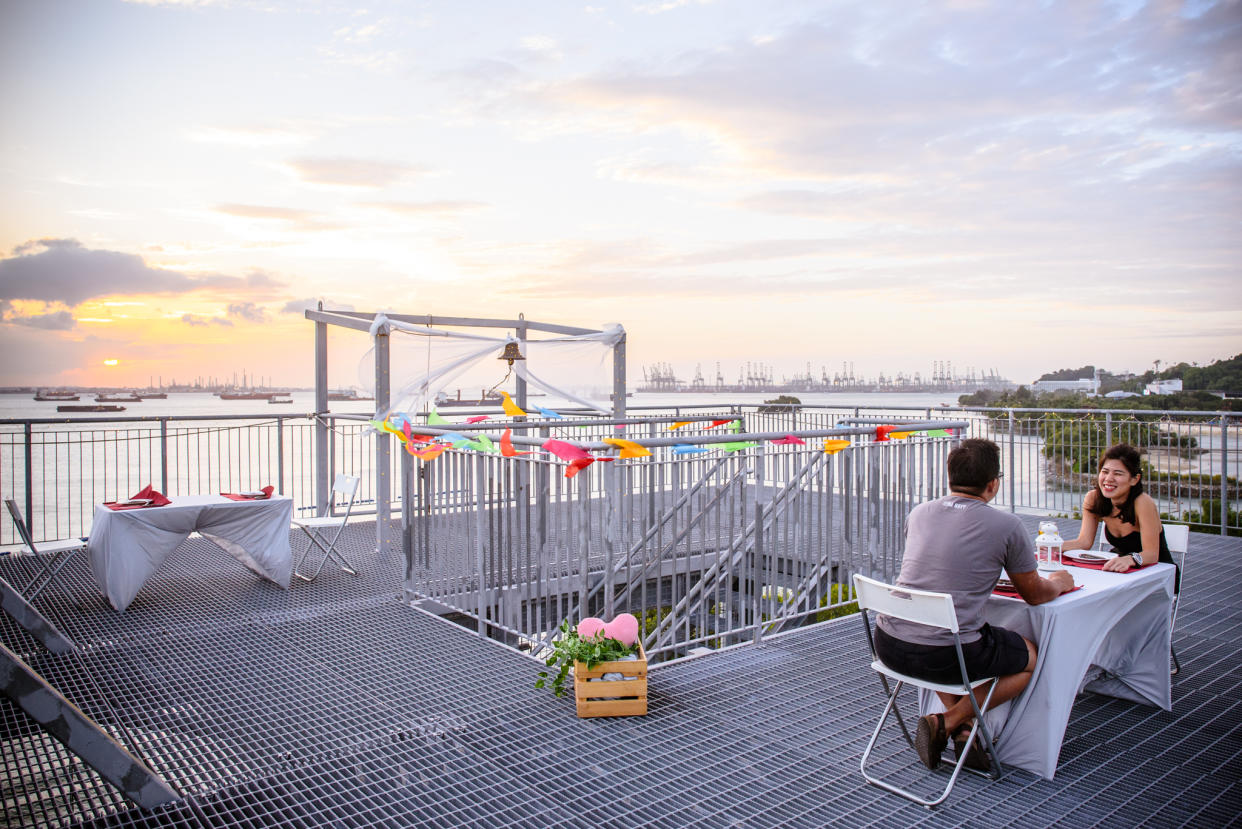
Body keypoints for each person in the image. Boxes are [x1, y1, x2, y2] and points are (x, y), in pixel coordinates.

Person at [874, 438, 1075, 771]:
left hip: (889, 644)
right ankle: (951, 720)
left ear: (949, 478)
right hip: (942, 655)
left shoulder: (919, 513)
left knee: (949, 652)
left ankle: (965, 728)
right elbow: (1034, 595)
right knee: (1031, 659)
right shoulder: (1007, 525)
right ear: (993, 484)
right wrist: (1058, 583)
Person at [1063, 443, 1178, 581]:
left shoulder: (1142, 502)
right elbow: (1084, 543)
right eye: (1105, 472)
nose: (1108, 478)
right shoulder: (1093, 499)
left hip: (1158, 573)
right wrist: (1051, 546)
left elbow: (1151, 554)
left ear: (1135, 479)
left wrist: (1129, 560)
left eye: (1118, 474)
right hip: (1121, 569)